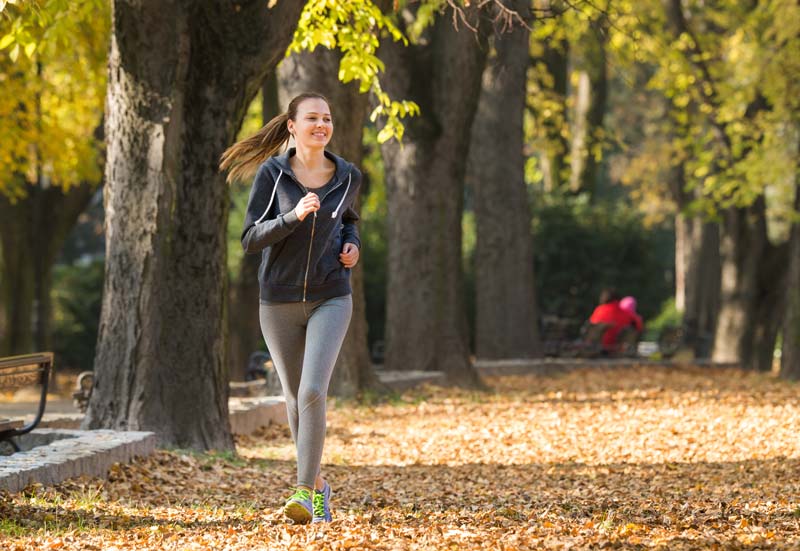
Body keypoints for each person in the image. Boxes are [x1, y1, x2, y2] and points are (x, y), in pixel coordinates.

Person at [219, 92, 361, 524]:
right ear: (293, 127)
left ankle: (302, 492)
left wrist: (352, 245)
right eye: (312, 118)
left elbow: (349, 219)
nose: (322, 125)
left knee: (313, 391)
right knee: (295, 400)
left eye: (327, 118)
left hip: (330, 295)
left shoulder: (348, 175)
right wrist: (293, 217)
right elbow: (249, 239)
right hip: (277, 300)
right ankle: (319, 488)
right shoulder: (274, 175)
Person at [588, 289, 642, 354]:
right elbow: (638, 327)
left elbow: (591, 327)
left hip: (598, 347)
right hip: (617, 349)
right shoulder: (626, 314)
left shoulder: (599, 310)